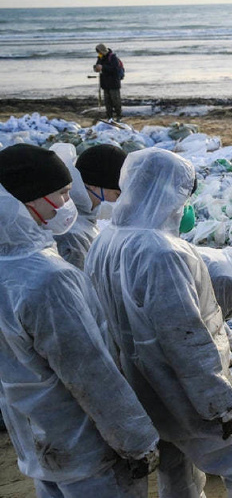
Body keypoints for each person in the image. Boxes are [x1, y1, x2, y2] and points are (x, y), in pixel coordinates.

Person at [85, 148, 232, 497]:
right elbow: (185, 336)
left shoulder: (105, 240)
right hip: (178, 390)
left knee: (178, 469)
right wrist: (221, 402)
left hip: (136, 387)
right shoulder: (164, 252)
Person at [0, 144, 159, 497]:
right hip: (84, 442)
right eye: (60, 193)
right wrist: (137, 439)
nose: (67, 203)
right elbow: (89, 370)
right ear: (27, 201)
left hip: (39, 439)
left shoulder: (11, 267)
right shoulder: (49, 278)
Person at [53, 144, 127, 270]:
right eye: (117, 194)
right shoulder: (71, 231)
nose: (118, 201)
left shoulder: (84, 217)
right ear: (92, 185)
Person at [93, 44, 123, 121]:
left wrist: (103, 67)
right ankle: (109, 118)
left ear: (102, 50)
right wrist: (96, 68)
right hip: (105, 83)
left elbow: (115, 69)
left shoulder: (113, 57)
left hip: (114, 83)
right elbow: (97, 66)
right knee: (107, 103)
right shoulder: (100, 57)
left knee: (116, 101)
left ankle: (119, 117)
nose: (99, 53)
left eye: (99, 51)